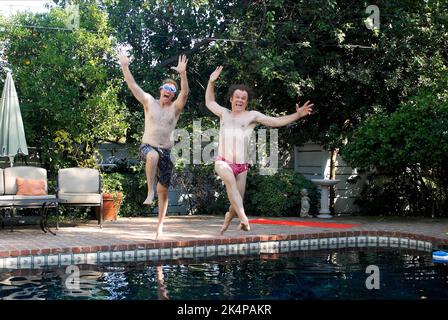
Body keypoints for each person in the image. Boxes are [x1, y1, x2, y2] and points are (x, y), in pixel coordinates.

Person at [205, 66, 313, 234]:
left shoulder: (252, 116)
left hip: (241, 167)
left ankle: (230, 216)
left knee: (236, 201)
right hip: (223, 162)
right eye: (237, 97)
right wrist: (211, 81)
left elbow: (276, 121)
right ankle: (244, 219)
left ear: (246, 102)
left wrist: (297, 115)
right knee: (230, 183)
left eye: (243, 98)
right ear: (231, 99)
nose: (240, 100)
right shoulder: (224, 113)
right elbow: (210, 102)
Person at [118, 51, 189, 239]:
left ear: (173, 95)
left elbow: (185, 93)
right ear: (160, 89)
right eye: (166, 87)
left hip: (166, 151)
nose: (168, 91)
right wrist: (125, 66)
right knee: (153, 156)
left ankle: (160, 226)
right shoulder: (149, 101)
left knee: (164, 190)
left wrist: (182, 74)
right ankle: (149, 191)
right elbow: (133, 86)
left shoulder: (175, 108)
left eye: (172, 90)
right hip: (147, 147)